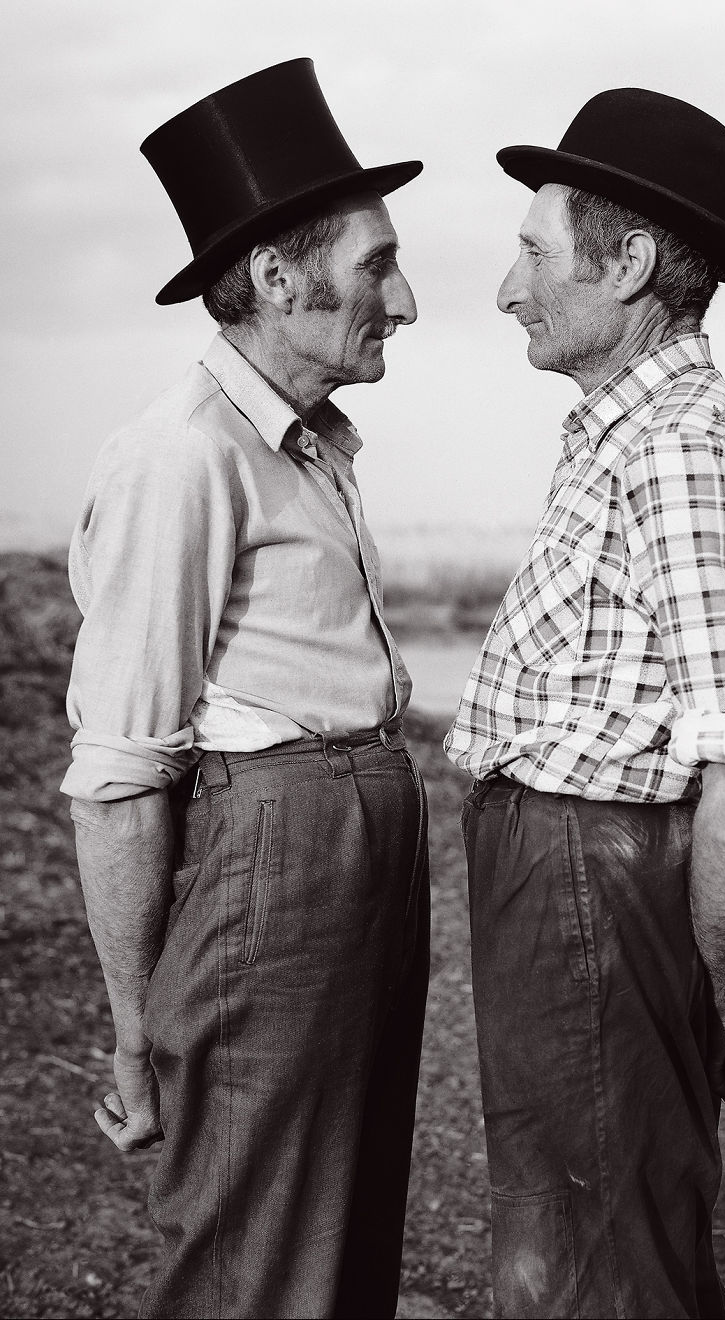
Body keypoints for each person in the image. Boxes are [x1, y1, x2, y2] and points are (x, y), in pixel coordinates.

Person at [445, 88, 725, 1319]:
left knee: (591, 1269)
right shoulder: (637, 433)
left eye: (531, 250)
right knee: (588, 1236)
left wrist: (714, 993)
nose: (508, 290)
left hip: (586, 887)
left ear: (629, 264)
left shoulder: (673, 444)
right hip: (582, 886)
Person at [61, 59, 429, 1320]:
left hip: (355, 855)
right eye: (377, 264)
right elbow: (118, 774)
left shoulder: (309, 441)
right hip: (274, 865)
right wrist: (134, 1029)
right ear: (279, 277)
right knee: (252, 1247)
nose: (407, 301)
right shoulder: (180, 457)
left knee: (343, 1220)